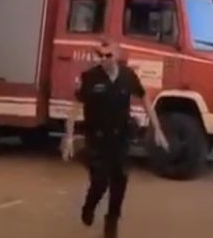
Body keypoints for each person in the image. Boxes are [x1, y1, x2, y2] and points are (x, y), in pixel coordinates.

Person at [62, 40, 169, 238]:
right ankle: (89, 206)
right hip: (97, 139)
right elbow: (75, 108)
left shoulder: (128, 76)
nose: (104, 59)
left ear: (117, 55)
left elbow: (144, 99)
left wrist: (158, 130)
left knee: (120, 180)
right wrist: (68, 137)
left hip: (120, 138)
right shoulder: (90, 78)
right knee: (100, 182)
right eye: (100, 55)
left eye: (108, 55)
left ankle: (111, 221)